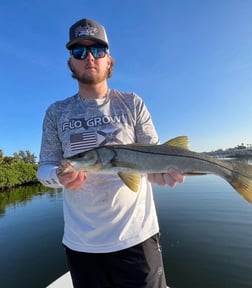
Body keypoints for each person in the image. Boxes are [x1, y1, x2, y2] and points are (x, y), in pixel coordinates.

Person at [37, 18, 185, 288]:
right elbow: (44, 167)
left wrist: (160, 175)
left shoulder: (132, 103)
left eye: (98, 50)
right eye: (79, 52)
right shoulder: (55, 112)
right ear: (71, 62)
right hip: (81, 245)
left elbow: (154, 158)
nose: (89, 57)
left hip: (137, 239)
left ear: (109, 59)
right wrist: (60, 176)